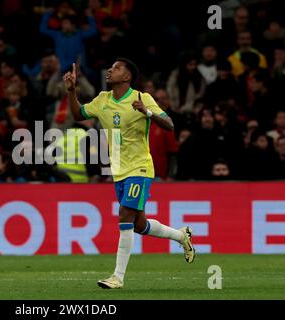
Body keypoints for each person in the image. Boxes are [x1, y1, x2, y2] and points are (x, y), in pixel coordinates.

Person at [64, 58, 195, 289]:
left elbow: (169, 124)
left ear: (127, 77)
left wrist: (148, 113)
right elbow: (78, 114)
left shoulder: (142, 98)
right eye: (111, 67)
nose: (110, 70)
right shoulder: (102, 100)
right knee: (138, 224)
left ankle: (118, 277)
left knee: (125, 214)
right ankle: (181, 236)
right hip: (119, 171)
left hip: (140, 167)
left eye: (116, 68)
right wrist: (72, 91)